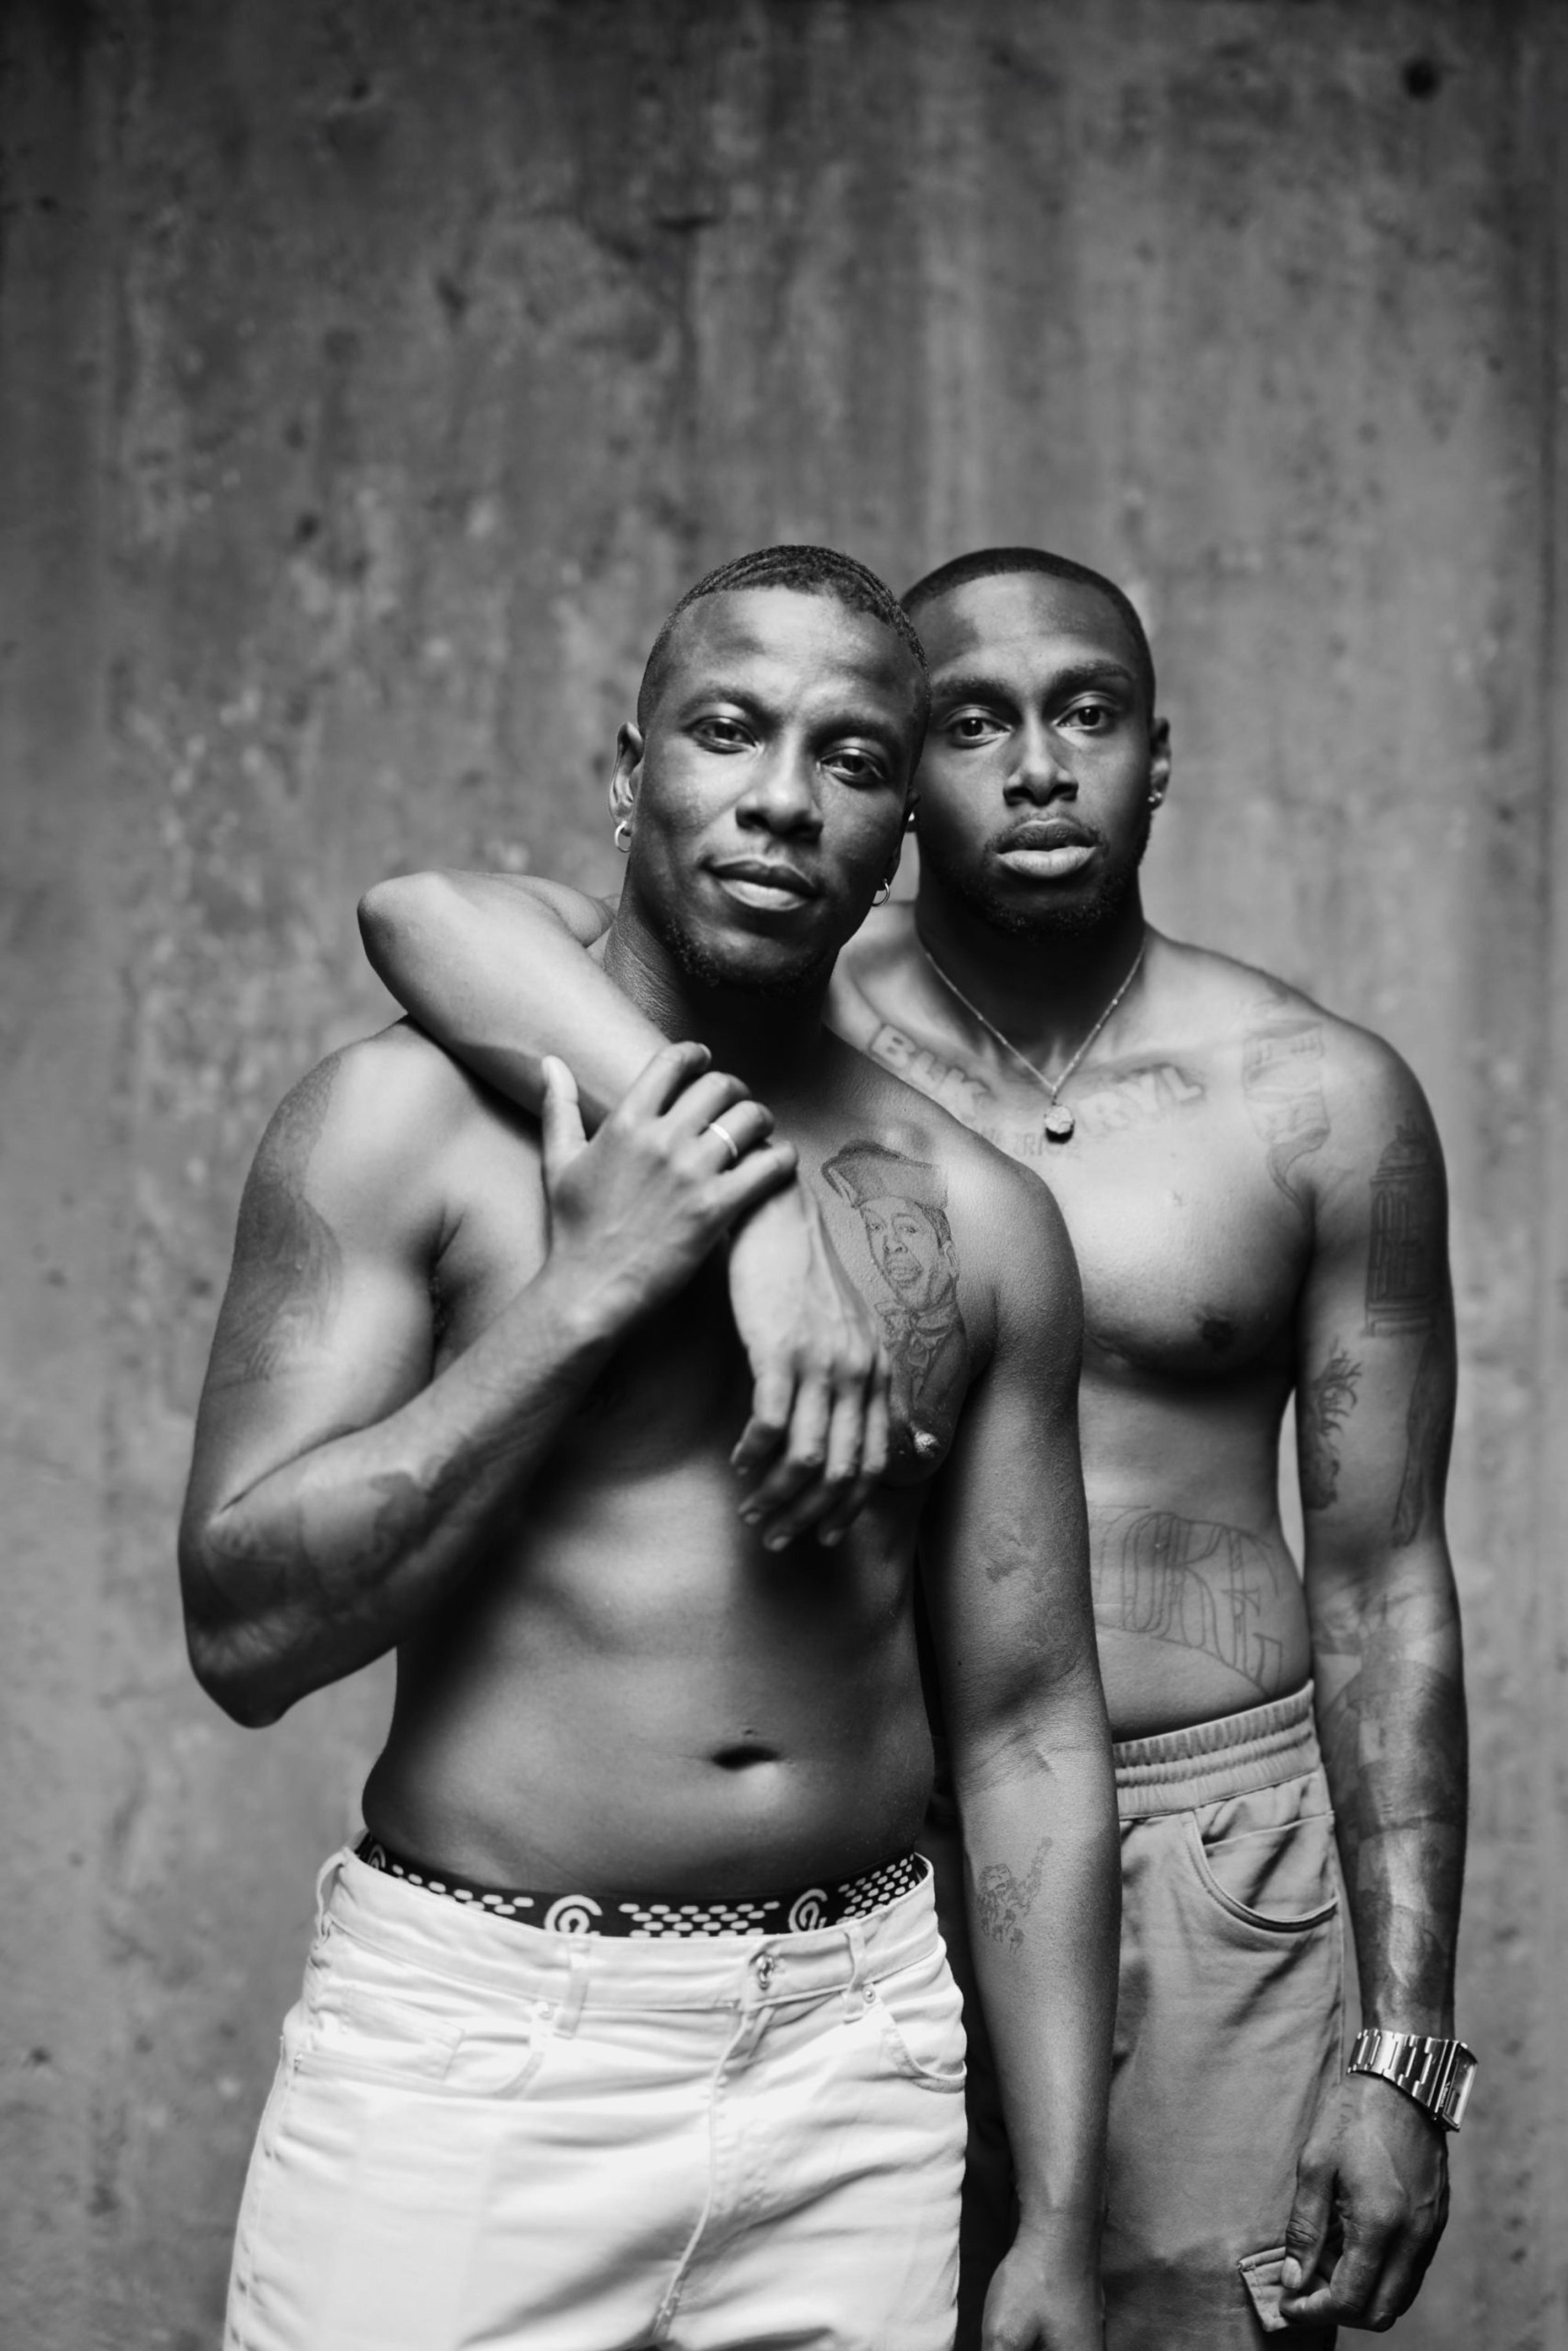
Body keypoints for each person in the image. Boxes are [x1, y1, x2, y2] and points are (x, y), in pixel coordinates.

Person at [360, 544, 1472, 2350]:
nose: (1037, 766)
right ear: (894, 772)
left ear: (1161, 756)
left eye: (1088, 714)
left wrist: (1409, 2048)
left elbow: (1386, 1578)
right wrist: (763, 1220)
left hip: (1207, 1851)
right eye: (971, 721)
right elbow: (424, 912)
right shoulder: (786, 1022)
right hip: (874, 1850)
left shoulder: (1316, 1096)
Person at [181, 544, 1120, 2351]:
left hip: (861, 2061)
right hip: (481, 2052)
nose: (781, 796)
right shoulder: (406, 1123)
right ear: (629, 770)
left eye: (853, 757)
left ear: (898, 831)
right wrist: (594, 1289)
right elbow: (243, 1635)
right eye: (727, 731)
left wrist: (1065, 2212)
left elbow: (1026, 1728)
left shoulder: (981, 1225)